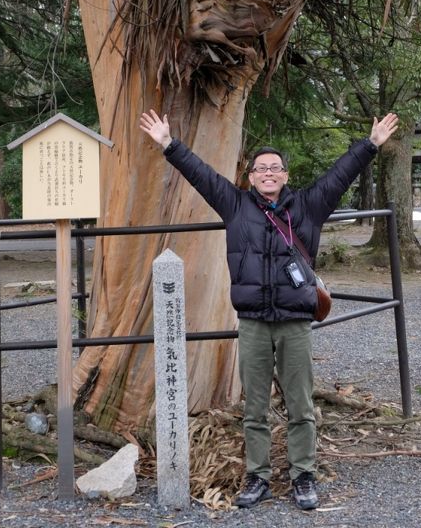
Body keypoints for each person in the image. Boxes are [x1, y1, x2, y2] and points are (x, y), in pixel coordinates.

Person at [139, 108, 399, 510]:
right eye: (261, 169)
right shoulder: (234, 205)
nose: (268, 174)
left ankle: (303, 476)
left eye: (275, 168)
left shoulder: (309, 207)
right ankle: (256, 476)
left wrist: (370, 145)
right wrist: (169, 145)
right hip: (254, 321)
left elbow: (340, 174)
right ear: (251, 176)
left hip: (295, 320)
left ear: (285, 175)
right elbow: (201, 174)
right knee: (255, 406)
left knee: (300, 404)